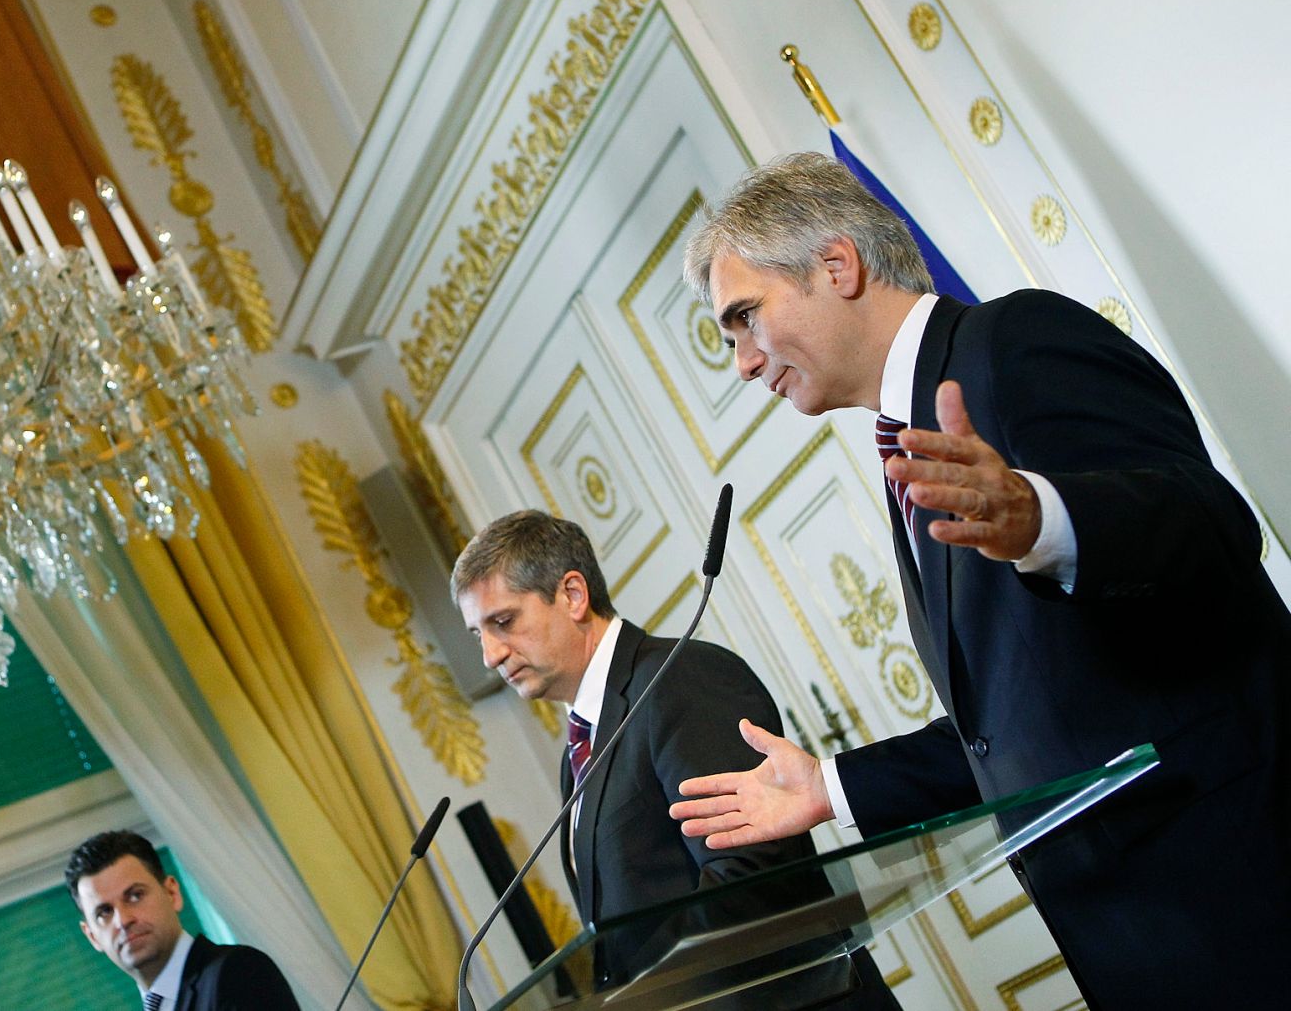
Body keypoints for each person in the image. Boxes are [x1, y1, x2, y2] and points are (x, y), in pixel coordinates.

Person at [669, 151, 1291, 1008]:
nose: (741, 361)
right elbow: (1008, 733)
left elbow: (1210, 523)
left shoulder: (1014, 341)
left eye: (745, 317)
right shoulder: (911, 448)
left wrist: (1044, 517)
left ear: (836, 265)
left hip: (1247, 885)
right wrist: (831, 789)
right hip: (1146, 939)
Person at [453, 510, 899, 1006]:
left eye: (503, 622)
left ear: (573, 595)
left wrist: (645, 999)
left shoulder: (677, 678)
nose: (491, 655)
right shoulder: (579, 748)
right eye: (478, 634)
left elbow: (748, 874)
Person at [65, 830, 299, 1010]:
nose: (123, 920)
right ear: (92, 935)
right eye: (104, 912)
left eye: (135, 896)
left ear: (172, 894)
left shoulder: (237, 972)